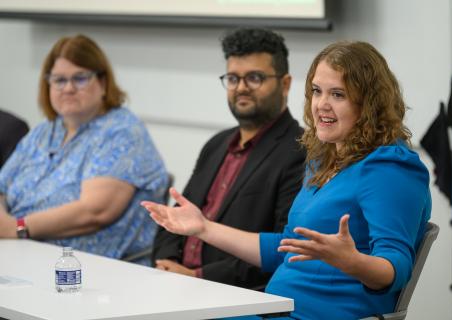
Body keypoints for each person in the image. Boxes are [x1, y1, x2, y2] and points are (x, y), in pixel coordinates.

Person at [142, 41, 432, 319]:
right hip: (276, 309)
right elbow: (286, 245)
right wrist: (204, 228)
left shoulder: (390, 167)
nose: (322, 105)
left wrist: (351, 261)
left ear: (369, 104)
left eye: (338, 95)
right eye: (317, 91)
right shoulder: (323, 159)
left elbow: (397, 266)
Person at [150, 28, 305, 289]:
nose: (241, 88)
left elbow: (282, 250)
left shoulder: (300, 151)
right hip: (174, 284)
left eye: (254, 78)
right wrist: (166, 264)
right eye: (233, 78)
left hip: (232, 295)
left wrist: (196, 277)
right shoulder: (217, 144)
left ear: (286, 83)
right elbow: (176, 217)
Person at [0, 34, 168, 265]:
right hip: (23, 256)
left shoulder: (121, 132)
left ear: (103, 83)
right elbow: (2, 187)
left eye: (80, 79)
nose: (68, 88)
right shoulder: (44, 132)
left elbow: (94, 212)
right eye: (59, 80)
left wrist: (16, 228)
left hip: (90, 273)